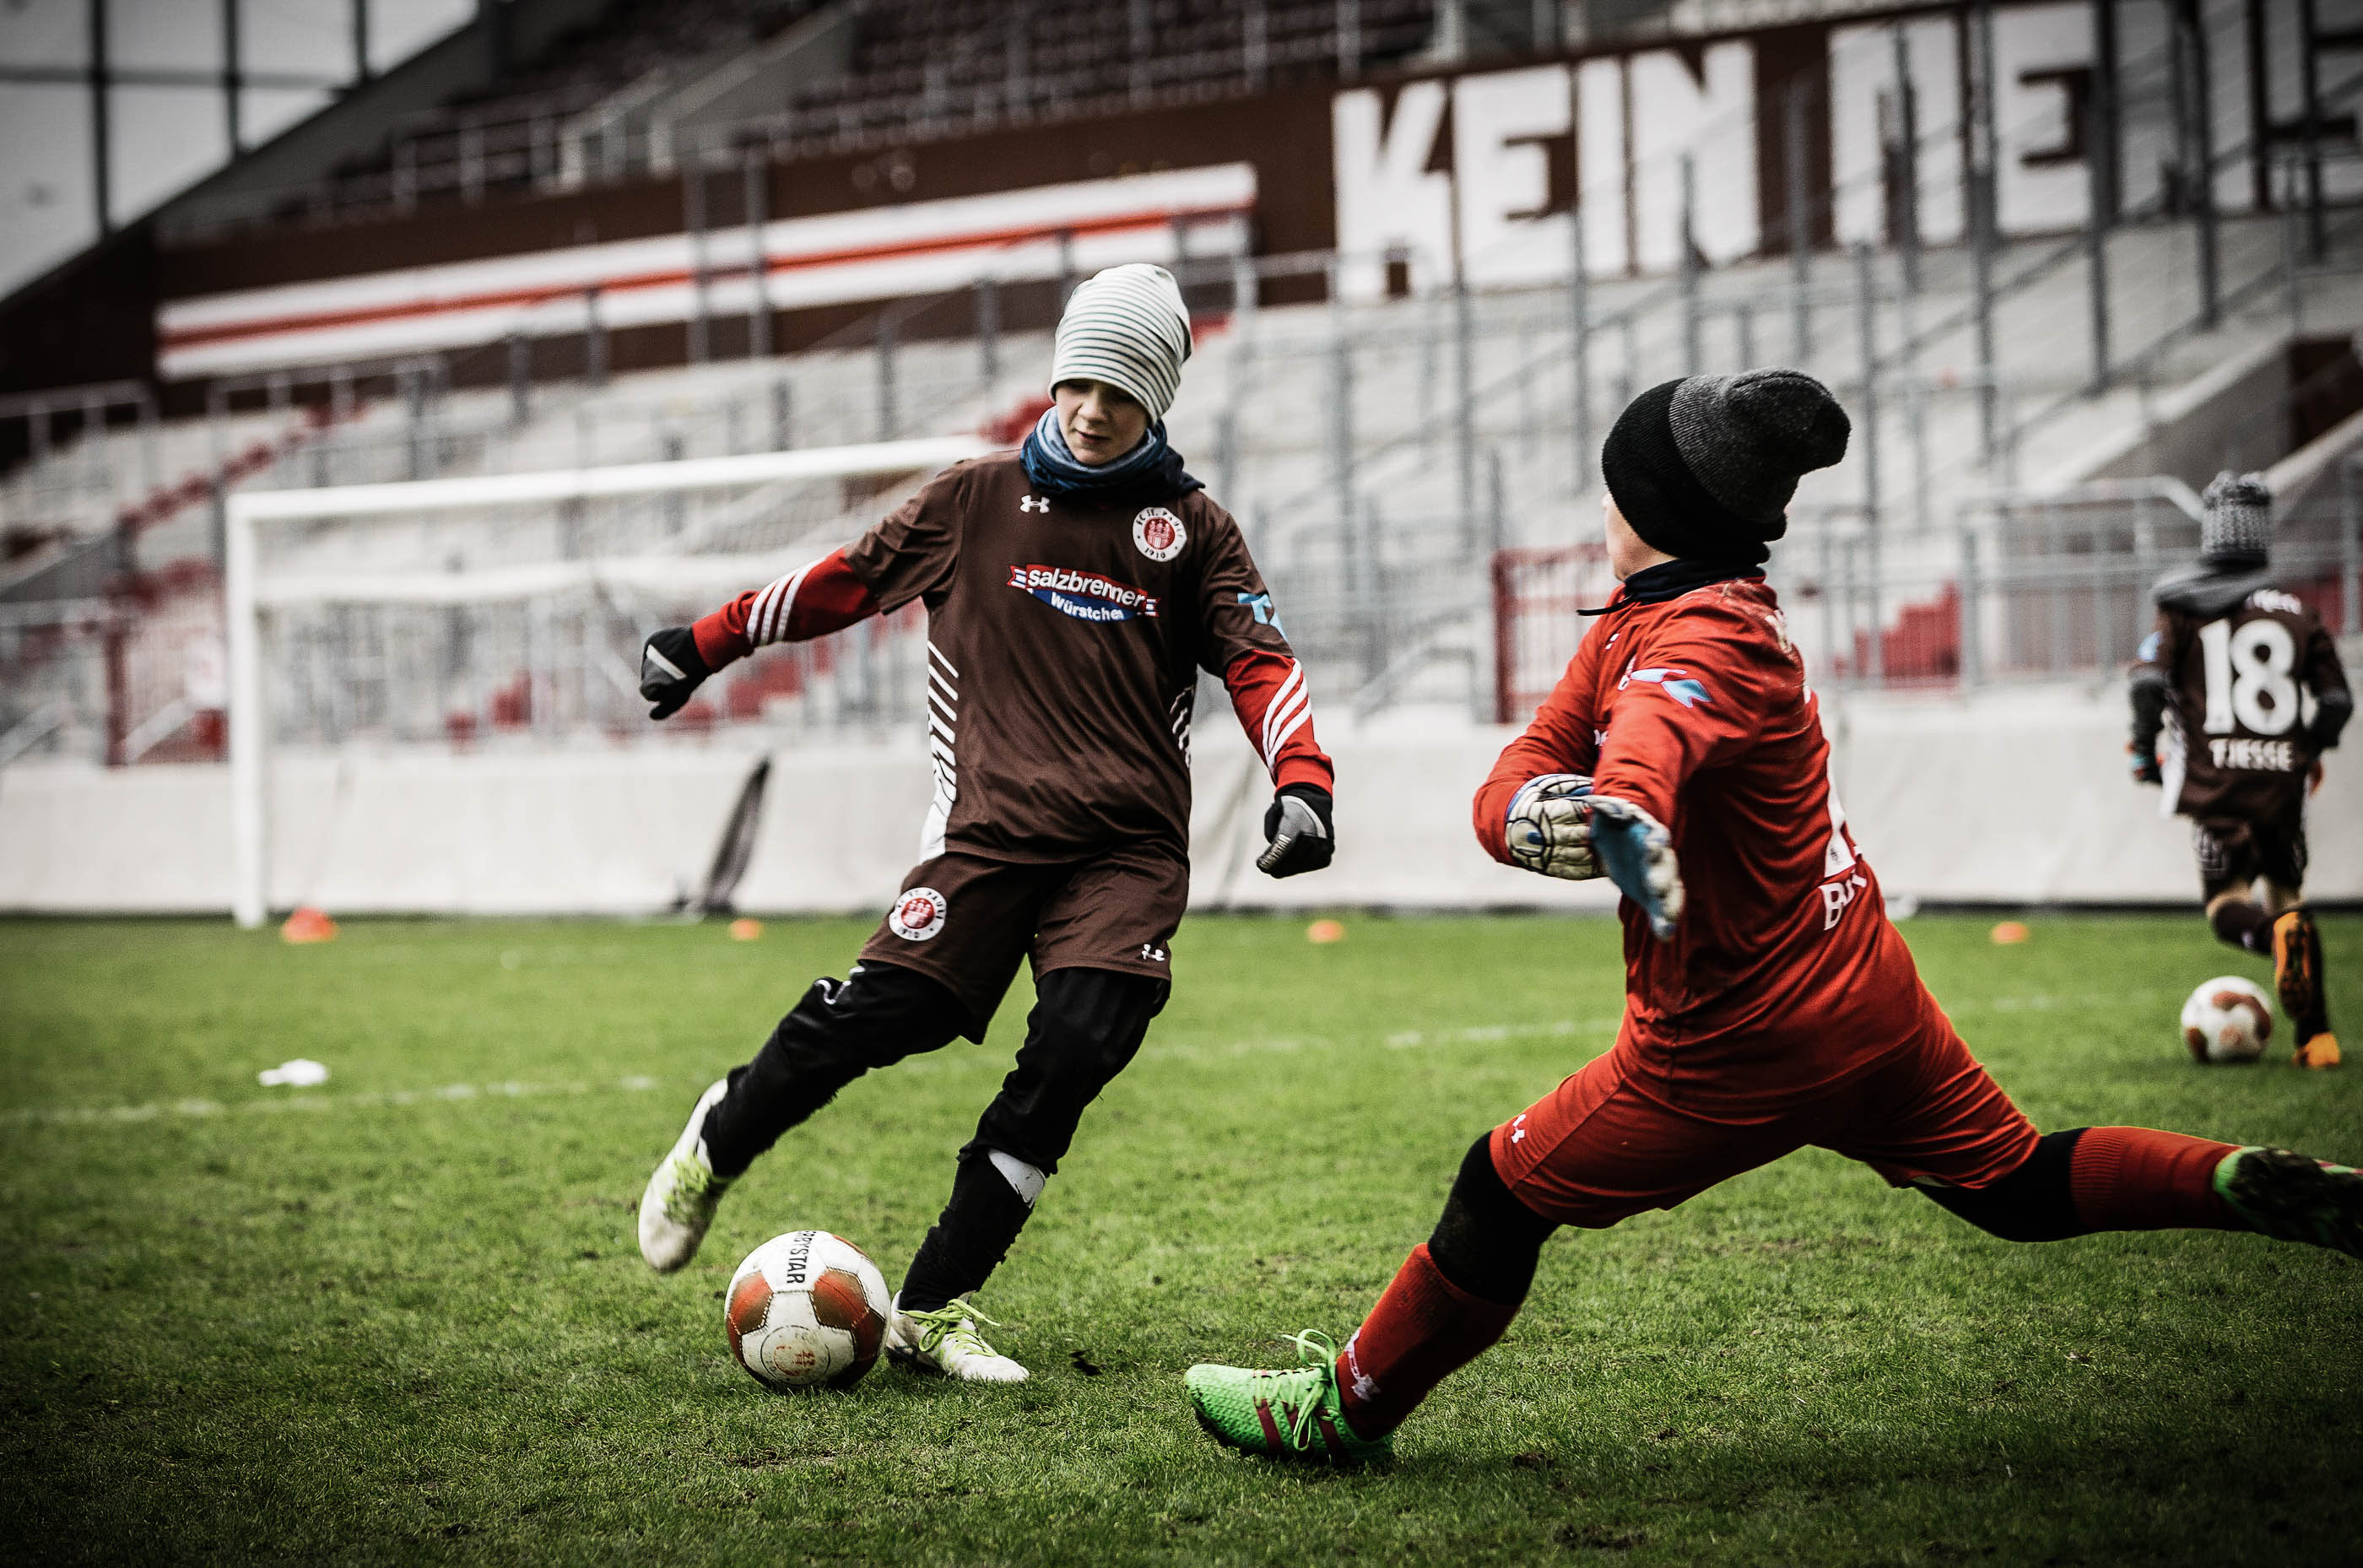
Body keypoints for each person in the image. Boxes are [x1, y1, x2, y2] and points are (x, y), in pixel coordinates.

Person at [1181, 370, 2363, 1462]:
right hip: (1869, 994)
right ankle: (2239, 1180)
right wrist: (1531, 811)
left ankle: (1345, 1406)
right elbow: (1533, 756)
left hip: (1733, 1047)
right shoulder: (1659, 611)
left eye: (1615, 483)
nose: (1602, 502)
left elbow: (1653, 734)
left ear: (1649, 505)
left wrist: (1620, 811)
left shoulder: (1702, 639)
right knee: (2014, 1187)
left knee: (1497, 1188)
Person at [635, 264, 1338, 1382]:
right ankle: (721, 1133)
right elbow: (841, 581)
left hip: (1126, 852)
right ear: (1055, 377)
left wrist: (1304, 779)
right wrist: (704, 642)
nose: (1092, 408)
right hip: (985, 836)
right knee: (887, 1018)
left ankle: (934, 1303)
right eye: (1077, 382)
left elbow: (1261, 659)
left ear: (1155, 399)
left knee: (1079, 1044)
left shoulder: (1192, 530)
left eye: (1120, 390)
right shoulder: (972, 499)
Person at [2129, 471, 2350, 1068]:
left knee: (2227, 903)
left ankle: (2267, 942)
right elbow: (2336, 702)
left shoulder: (2180, 607)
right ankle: (2318, 1039)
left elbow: (2148, 682)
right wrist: (2312, 752)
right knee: (2288, 895)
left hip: (2215, 780)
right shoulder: (2298, 611)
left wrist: (2142, 746)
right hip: (2284, 779)